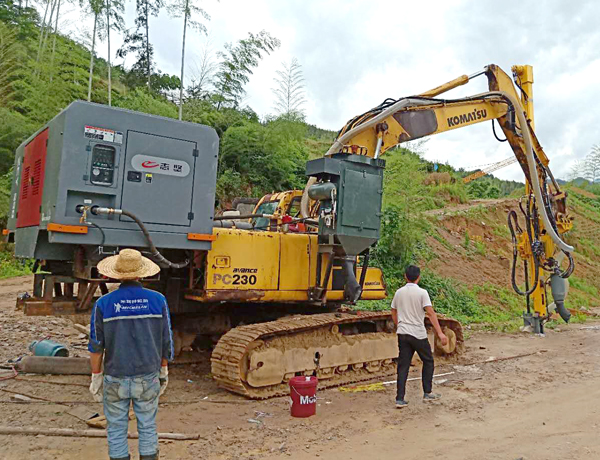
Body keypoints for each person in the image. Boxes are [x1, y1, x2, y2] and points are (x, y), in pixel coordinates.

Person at [88, 248, 174, 460]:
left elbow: (96, 346)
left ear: (116, 274)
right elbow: (166, 341)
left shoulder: (103, 304)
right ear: (141, 274)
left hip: (115, 376)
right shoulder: (158, 300)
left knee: (116, 428)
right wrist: (163, 369)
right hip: (148, 376)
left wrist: (96, 376)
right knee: (147, 425)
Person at [391, 265, 448, 408]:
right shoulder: (422, 293)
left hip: (403, 333)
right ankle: (427, 392)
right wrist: (440, 333)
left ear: (405, 276)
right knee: (428, 360)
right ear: (418, 277)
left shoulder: (399, 292)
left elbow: (393, 311)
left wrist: (399, 325)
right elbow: (430, 313)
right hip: (418, 334)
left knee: (403, 366)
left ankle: (400, 398)